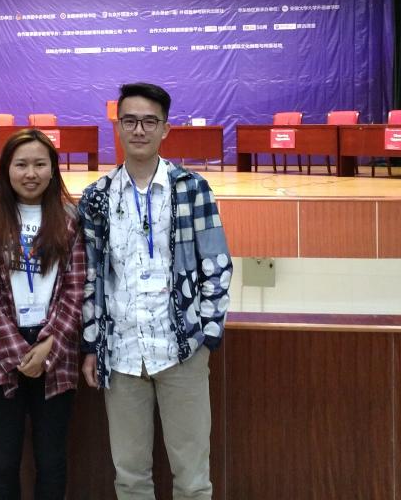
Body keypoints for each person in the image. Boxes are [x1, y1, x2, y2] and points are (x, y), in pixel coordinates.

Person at [79, 82, 233, 500]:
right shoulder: (96, 197)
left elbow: (217, 266)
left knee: (193, 480)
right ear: (117, 126)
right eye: (130, 120)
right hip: (122, 355)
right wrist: (91, 344)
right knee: (130, 478)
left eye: (149, 121)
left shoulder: (192, 189)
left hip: (181, 352)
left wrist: (205, 338)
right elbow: (91, 277)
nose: (139, 130)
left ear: (165, 129)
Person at [0, 128, 85, 500]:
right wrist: (18, 353)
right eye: (21, 165)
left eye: (39, 164)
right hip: (1, 354)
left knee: (52, 462)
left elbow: (76, 287)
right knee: (3, 462)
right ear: (6, 169)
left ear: (53, 169)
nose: (30, 173)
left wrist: (50, 343)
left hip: (56, 352)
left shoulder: (71, 218)